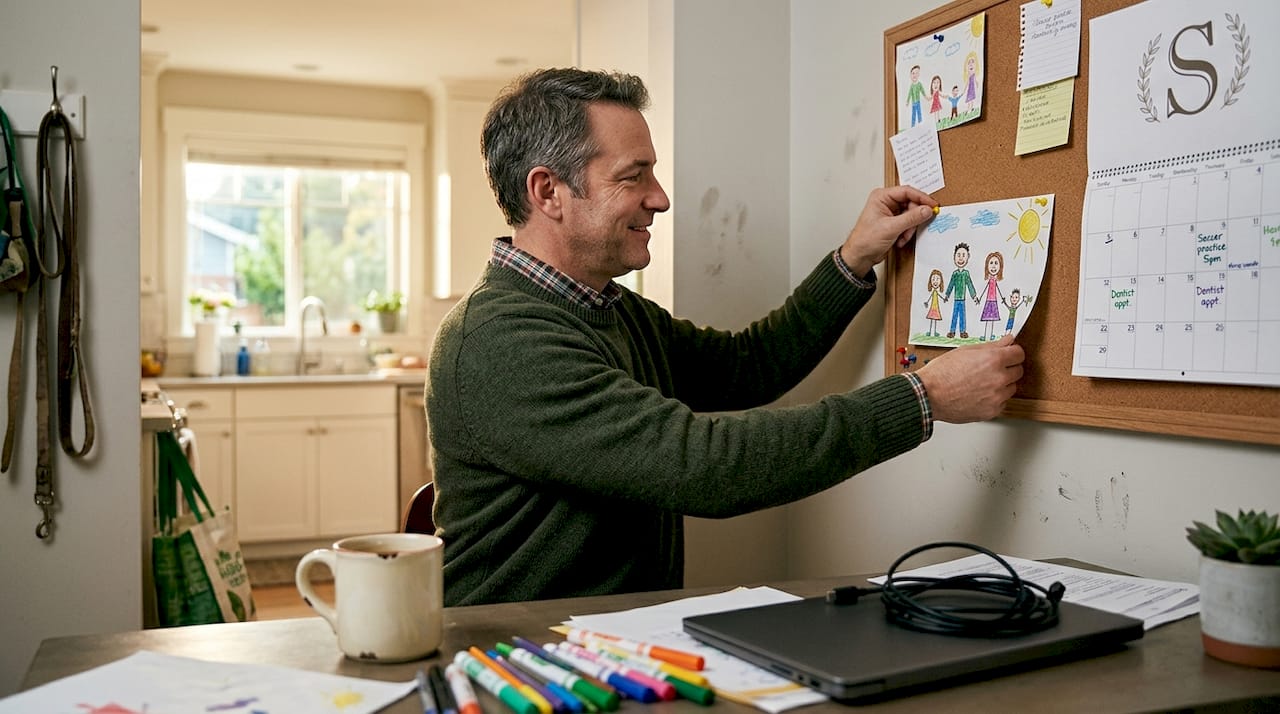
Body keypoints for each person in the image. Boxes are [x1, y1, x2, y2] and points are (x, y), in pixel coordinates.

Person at [427, 68, 1025, 607]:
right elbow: (705, 466)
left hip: (611, 645)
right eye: (633, 177)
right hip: (517, 659)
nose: (659, 198)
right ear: (547, 192)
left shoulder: (610, 310)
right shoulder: (498, 341)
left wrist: (854, 258)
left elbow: (747, 365)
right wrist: (921, 400)